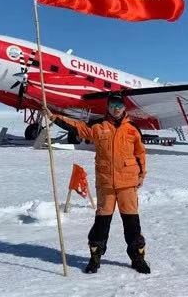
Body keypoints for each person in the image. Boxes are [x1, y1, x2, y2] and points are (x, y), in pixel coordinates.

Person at [45, 95, 150, 274]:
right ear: (108, 107)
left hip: (127, 184)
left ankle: (137, 258)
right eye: (112, 105)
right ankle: (95, 257)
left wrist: (141, 175)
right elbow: (78, 127)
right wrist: (54, 117)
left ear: (124, 108)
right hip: (106, 184)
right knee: (102, 223)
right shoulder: (99, 126)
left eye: (119, 105)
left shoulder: (132, 129)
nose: (116, 108)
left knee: (132, 223)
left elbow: (140, 154)